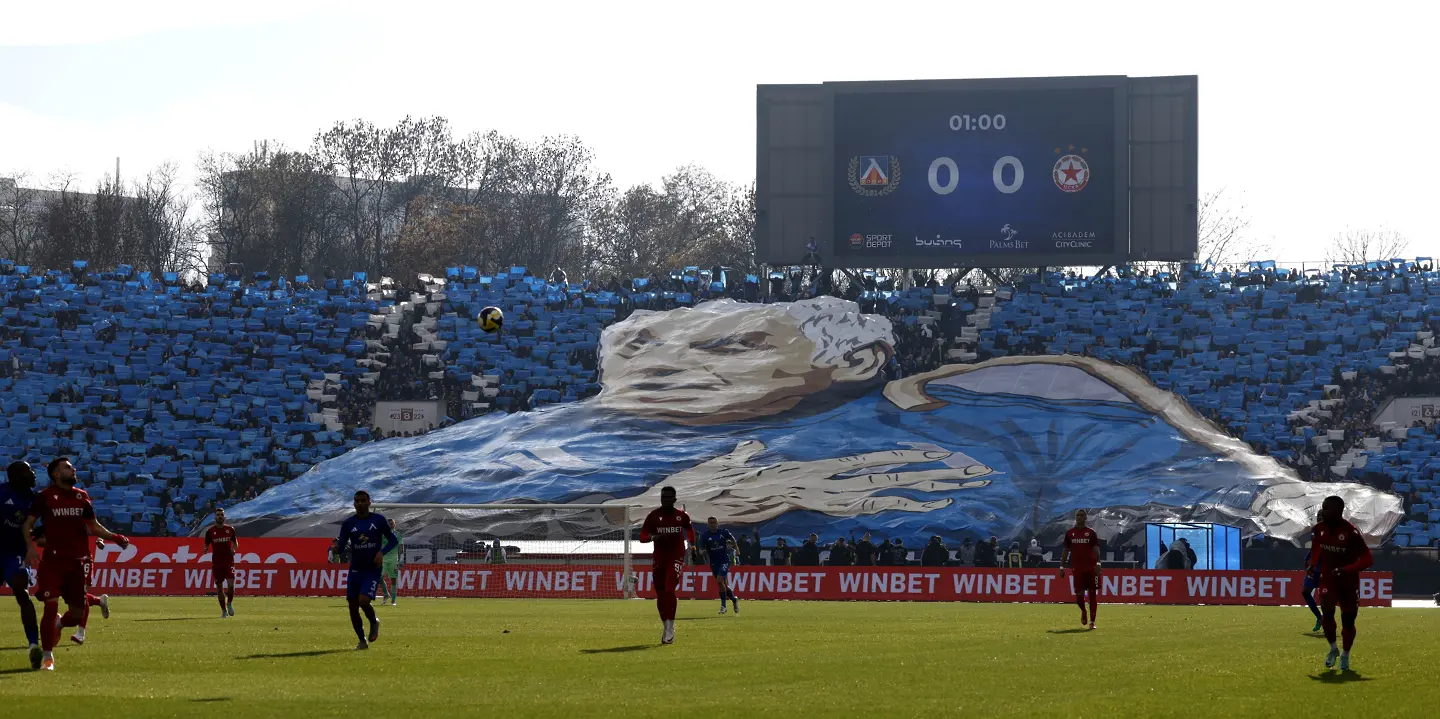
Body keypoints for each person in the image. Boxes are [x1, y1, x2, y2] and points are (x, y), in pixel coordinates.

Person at [21, 457, 130, 671]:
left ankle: (59, 623)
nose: (73, 470)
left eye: (72, 467)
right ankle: (48, 658)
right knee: (50, 605)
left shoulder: (82, 496)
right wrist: (30, 547)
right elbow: (28, 524)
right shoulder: (45, 497)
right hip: (53, 561)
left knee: (78, 614)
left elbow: (93, 526)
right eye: (68, 468)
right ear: (56, 474)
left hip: (77, 563)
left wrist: (115, 537)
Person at [1308, 495, 1374, 671]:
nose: (1322, 511)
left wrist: (1347, 569)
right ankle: (1333, 649)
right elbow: (1316, 546)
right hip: (1328, 578)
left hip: (1348, 582)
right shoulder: (1319, 529)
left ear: (1338, 511)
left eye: (1326, 508)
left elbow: (1368, 559)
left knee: (1348, 621)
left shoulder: (1351, 532)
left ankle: (1345, 654)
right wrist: (1313, 565)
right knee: (1326, 607)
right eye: (1323, 507)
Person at [336, 490, 399, 650]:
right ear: (354, 503)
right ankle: (362, 641)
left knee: (363, 601)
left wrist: (381, 552)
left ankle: (373, 621)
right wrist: (336, 549)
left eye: (363, 500)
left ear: (369, 502)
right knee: (352, 605)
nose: (360, 503)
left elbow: (393, 540)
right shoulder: (348, 523)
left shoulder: (378, 520)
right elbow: (341, 546)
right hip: (355, 569)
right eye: (357, 501)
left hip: (372, 569)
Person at [638, 486, 695, 644]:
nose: (666, 500)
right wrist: (654, 538)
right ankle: (666, 625)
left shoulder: (682, 516)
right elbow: (642, 536)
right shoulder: (653, 516)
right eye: (663, 497)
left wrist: (693, 547)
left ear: (674, 499)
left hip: (676, 557)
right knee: (661, 593)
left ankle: (670, 627)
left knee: (670, 589)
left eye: (669, 497)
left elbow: (690, 531)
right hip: (659, 558)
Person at [2, 461, 41, 663]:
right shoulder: (2, 492)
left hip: (14, 553)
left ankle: (34, 644)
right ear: (16, 476)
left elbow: (42, 526)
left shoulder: (35, 499)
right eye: (28, 471)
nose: (33, 474)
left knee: (22, 591)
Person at [1058, 509, 1101, 630]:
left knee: (1092, 594)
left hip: (1091, 568)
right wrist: (1062, 566)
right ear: (1075, 517)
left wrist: (1098, 563)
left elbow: (1096, 549)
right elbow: (1065, 551)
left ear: (1086, 518)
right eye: (1077, 515)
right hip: (1077, 569)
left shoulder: (1091, 533)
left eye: (1082, 515)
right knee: (1079, 596)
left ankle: (1092, 621)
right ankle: (1083, 610)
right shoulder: (1070, 533)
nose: (1079, 517)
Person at [203, 508, 239, 618]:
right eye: (218, 515)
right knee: (219, 587)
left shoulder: (230, 529)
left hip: (228, 561)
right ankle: (223, 611)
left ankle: (229, 603)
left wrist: (234, 549)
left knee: (231, 585)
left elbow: (235, 543)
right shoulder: (210, 532)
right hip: (217, 562)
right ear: (215, 517)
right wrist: (205, 549)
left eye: (221, 515)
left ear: (224, 517)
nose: (220, 516)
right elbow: (206, 544)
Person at [699, 517, 739, 615]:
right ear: (708, 524)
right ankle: (734, 599)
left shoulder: (723, 532)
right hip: (714, 563)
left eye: (714, 522)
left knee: (719, 580)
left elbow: (732, 538)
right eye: (710, 523)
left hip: (724, 561)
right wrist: (702, 552)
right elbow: (701, 549)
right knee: (723, 584)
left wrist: (737, 549)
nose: (712, 524)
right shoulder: (704, 535)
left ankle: (723, 606)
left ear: (717, 523)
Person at [1300, 511, 1324, 633]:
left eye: (1322, 516)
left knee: (1326, 597)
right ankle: (1319, 617)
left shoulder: (1331, 531)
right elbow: (1315, 546)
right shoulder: (1314, 529)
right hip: (1314, 566)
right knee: (1305, 592)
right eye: (1318, 516)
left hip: (1325, 566)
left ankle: (1328, 621)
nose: (1319, 518)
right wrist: (1307, 557)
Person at [380, 518, 404, 606]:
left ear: (394, 525)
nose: (390, 525)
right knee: (379, 578)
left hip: (394, 560)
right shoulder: (383, 534)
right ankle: (386, 594)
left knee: (393, 580)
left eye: (392, 524)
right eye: (389, 524)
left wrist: (401, 559)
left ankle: (393, 601)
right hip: (383, 559)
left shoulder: (398, 535)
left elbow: (401, 548)